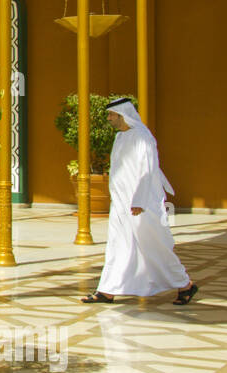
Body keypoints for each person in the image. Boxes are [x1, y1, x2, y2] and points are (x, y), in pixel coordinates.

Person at [81, 98, 198, 305]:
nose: (109, 119)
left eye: (111, 115)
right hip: (120, 204)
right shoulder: (120, 137)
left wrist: (139, 201)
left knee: (154, 246)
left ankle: (186, 285)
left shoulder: (143, 137)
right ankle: (107, 290)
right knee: (118, 245)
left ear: (122, 115)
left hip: (141, 206)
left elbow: (147, 170)